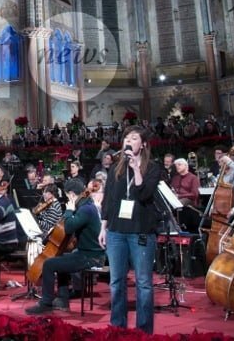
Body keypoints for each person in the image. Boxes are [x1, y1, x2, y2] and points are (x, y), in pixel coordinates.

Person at [98, 125, 162, 334]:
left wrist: (136, 168)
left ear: (142, 144)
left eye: (134, 138)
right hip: (116, 232)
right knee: (116, 282)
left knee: (143, 283)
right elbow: (108, 200)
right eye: (126, 137)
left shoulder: (152, 168)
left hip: (140, 232)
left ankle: (144, 331)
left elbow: (144, 194)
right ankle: (118, 328)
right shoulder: (116, 168)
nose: (128, 141)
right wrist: (103, 227)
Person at [26, 178, 104, 314]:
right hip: (86, 253)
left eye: (68, 196)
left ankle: (46, 303)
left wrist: (69, 211)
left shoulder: (85, 209)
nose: (67, 199)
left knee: (48, 264)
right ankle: (62, 299)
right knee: (60, 259)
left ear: (72, 195)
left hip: (91, 257)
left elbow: (68, 228)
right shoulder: (87, 205)